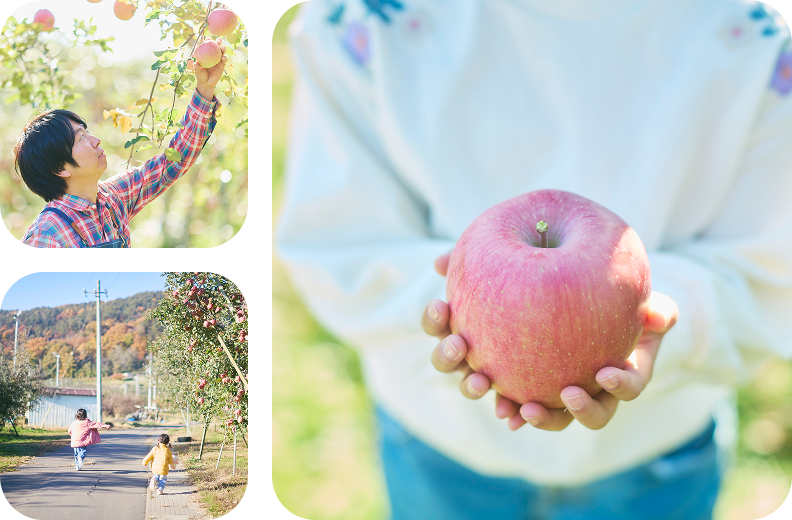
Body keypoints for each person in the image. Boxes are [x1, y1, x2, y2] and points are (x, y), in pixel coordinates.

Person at [275, 1, 792, 518]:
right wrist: (463, 309)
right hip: (442, 447)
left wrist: (654, 325)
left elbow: (773, 266)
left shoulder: (755, 34)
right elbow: (337, 239)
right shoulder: (360, 19)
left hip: (656, 453)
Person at [11, 43, 228, 247]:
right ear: (60, 168)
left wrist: (205, 87)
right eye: (81, 138)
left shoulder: (112, 199)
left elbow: (171, 164)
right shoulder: (47, 235)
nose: (96, 140)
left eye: (88, 133)